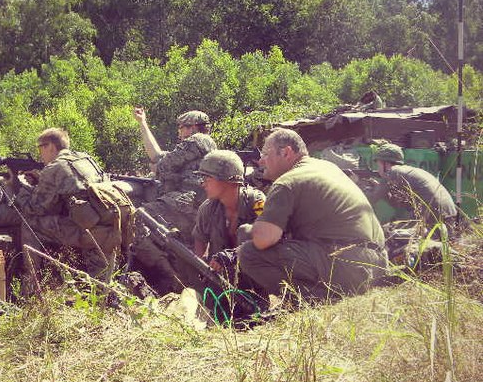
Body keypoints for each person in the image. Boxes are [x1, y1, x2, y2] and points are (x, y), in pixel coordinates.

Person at [238, 128, 388, 305]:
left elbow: (263, 239)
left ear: (286, 152)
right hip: (378, 263)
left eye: (265, 153)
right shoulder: (327, 167)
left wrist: (246, 231)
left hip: (348, 266)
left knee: (248, 253)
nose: (261, 160)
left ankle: (317, 303)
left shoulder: (287, 182)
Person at [9, 128, 117, 296]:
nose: (39, 154)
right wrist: (41, 181)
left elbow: (35, 208)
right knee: (101, 287)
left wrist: (16, 186)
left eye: (40, 148)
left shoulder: (54, 167)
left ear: (51, 147)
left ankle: (30, 287)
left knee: (30, 223)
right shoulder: (85, 158)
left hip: (89, 232)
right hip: (110, 227)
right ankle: (105, 297)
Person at [131, 108, 217, 293]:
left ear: (193, 127)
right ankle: (179, 279)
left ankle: (171, 277)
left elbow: (162, 164)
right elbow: (157, 156)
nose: (179, 132)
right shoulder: (200, 147)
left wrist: (159, 169)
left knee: (138, 218)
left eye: (182, 127)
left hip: (186, 202)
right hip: (192, 204)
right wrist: (142, 123)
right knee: (173, 241)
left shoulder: (197, 140)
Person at [193, 150, 265, 270]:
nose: (203, 184)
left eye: (207, 178)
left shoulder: (257, 202)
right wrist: (204, 271)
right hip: (221, 276)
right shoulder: (207, 208)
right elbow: (200, 242)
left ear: (227, 179)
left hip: (254, 272)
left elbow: (268, 239)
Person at [370, 143, 457, 232]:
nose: (378, 169)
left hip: (433, 221)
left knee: (387, 231)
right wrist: (383, 192)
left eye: (378, 165)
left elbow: (371, 200)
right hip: (447, 220)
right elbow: (399, 205)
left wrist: (364, 188)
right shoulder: (408, 171)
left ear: (385, 163)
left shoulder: (392, 172)